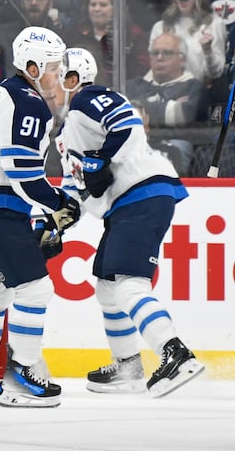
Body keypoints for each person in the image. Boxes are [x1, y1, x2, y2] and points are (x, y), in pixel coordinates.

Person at [55, 48, 205, 398]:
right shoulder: (66, 134)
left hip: (143, 194)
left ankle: (175, 354)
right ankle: (128, 366)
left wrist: (101, 159)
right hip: (127, 204)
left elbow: (127, 124)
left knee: (128, 284)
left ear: (73, 77)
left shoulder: (89, 97)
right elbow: (74, 191)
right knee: (107, 286)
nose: (47, 81)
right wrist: (54, 222)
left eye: (54, 73)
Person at [0, 26, 79, 407]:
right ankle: (22, 375)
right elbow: (21, 169)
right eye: (53, 67)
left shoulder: (1, 92)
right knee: (35, 288)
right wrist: (58, 201)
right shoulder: (27, 100)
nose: (57, 74)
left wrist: (42, 207)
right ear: (33, 66)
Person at [126, 33, 205, 128]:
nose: (159, 58)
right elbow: (122, 114)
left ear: (182, 60)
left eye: (167, 53)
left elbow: (185, 116)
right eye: (155, 53)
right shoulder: (133, 85)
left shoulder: (194, 87)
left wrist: (140, 106)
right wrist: (171, 107)